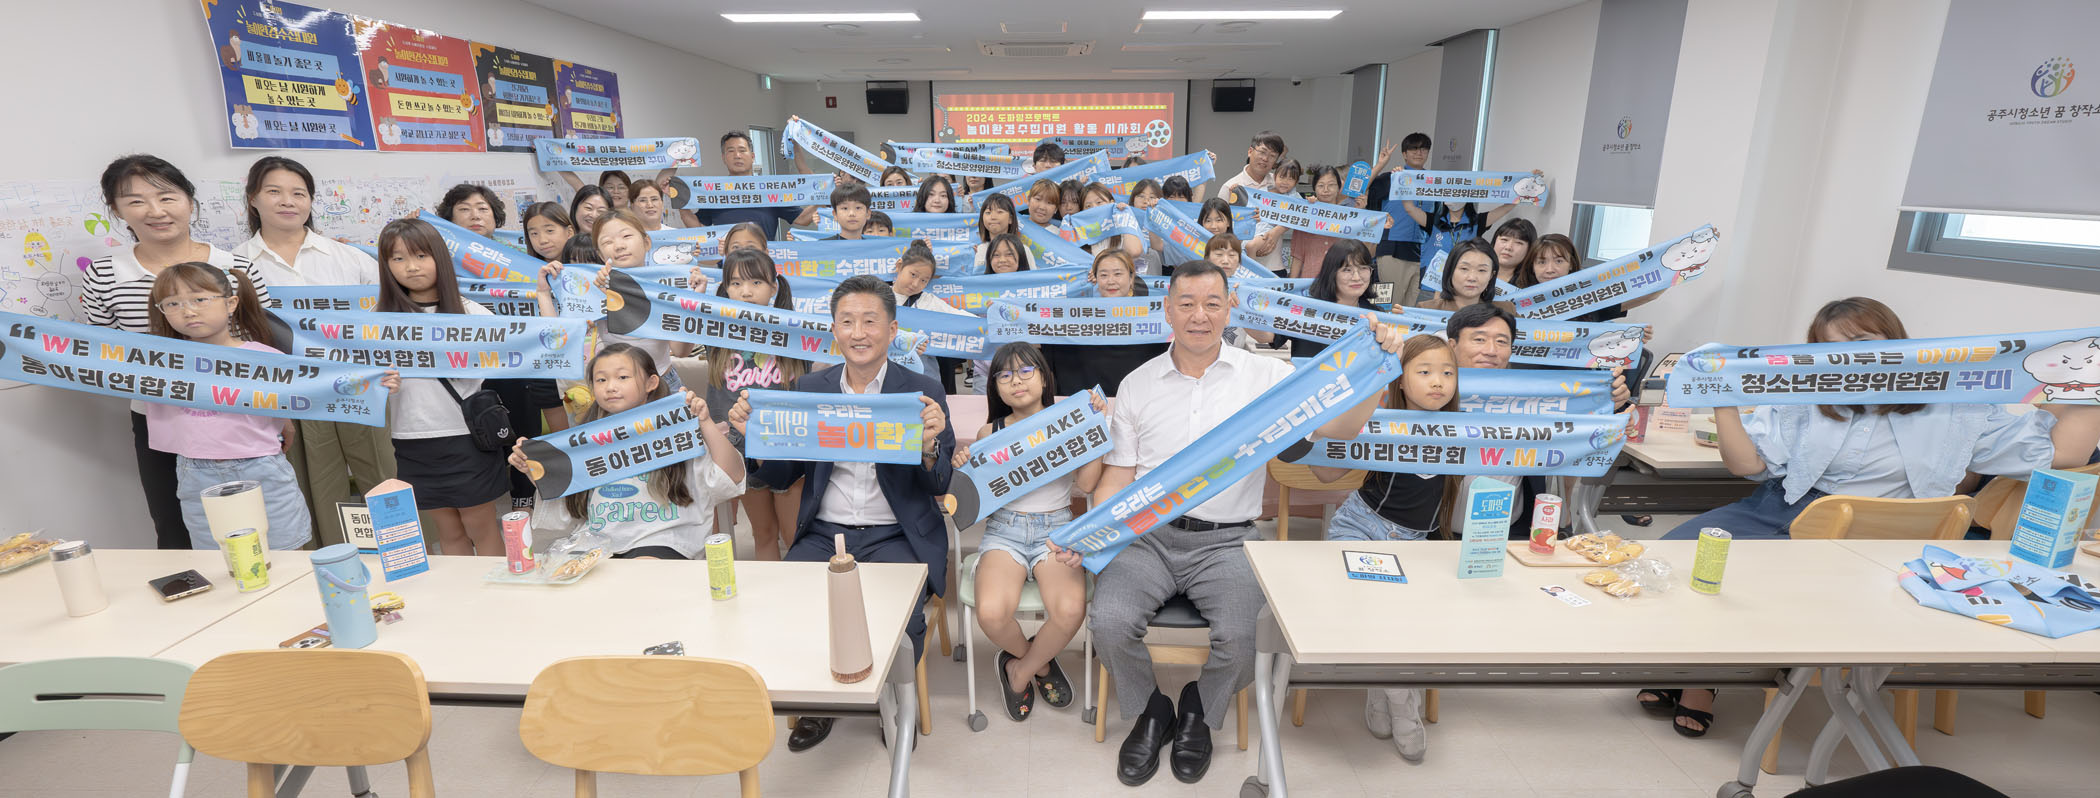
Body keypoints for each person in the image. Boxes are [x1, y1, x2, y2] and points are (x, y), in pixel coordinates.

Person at [1640, 297, 2100, 739]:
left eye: (1863, 344)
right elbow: (1746, 465)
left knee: (1750, 583)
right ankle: (1690, 669)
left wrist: (2092, 380)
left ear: (1896, 343)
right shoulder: (1802, 397)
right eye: (1832, 349)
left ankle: (1703, 681)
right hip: (1786, 512)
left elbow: (2065, 452)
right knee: (1677, 557)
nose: (1850, 359)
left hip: (1887, 539)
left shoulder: (1957, 403)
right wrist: (1724, 398)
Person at [1049, 260, 1405, 786]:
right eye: (1187, 304)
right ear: (1167, 310)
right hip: (1146, 538)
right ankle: (1151, 710)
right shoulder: (1138, 384)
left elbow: (1339, 426)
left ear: (1230, 308)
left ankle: (1199, 708)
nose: (1200, 315)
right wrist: (1092, 535)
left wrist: (1379, 369)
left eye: (1212, 303)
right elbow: (1119, 476)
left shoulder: (1267, 378)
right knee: (1109, 622)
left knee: (1246, 636)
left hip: (1229, 541)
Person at [727, 276, 955, 754]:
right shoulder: (811, 388)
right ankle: (820, 703)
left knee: (901, 621)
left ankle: (897, 703)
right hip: (824, 534)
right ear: (833, 330)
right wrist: (754, 438)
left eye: (870, 321)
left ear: (892, 330)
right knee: (792, 609)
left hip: (897, 535)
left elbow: (939, 484)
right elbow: (784, 473)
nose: (858, 332)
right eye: (847, 322)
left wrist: (930, 448)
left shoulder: (921, 391)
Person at [1307, 334, 1498, 762]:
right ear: (1399, 379)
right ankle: (1402, 705)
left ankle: (1381, 693)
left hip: (1416, 543)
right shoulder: (1380, 418)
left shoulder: (1464, 426)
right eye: (1424, 372)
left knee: (1396, 623)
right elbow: (1324, 467)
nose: (1438, 382)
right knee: (1379, 616)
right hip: (1361, 529)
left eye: (1447, 373)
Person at [87, 154, 273, 549]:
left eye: (167, 197)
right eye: (136, 201)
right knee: (175, 528)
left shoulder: (235, 265)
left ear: (189, 200)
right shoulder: (103, 274)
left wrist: (281, 416)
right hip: (159, 419)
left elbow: (262, 341)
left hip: (241, 415)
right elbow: (104, 353)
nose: (155, 211)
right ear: (117, 210)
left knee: (258, 522)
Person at [233, 156, 395, 548]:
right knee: (312, 482)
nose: (287, 201)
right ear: (253, 198)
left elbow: (387, 318)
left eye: (298, 193)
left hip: (358, 386)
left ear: (310, 200)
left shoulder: (349, 258)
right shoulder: (235, 265)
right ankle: (330, 558)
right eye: (274, 192)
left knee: (382, 475)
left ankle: (403, 551)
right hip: (289, 393)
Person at [956, 342, 1105, 722]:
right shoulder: (989, 431)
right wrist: (964, 465)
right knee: (991, 614)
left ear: (1044, 377)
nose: (1016, 381)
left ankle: (1019, 670)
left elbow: (1087, 485)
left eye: (1025, 371)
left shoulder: (1067, 421)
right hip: (1004, 531)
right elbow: (973, 492)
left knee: (1070, 611)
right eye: (1004, 375)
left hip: (1057, 530)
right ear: (994, 386)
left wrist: (1094, 428)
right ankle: (1040, 662)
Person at [144, 262, 320, 552]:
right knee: (218, 560)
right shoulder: (156, 360)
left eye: (200, 299)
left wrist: (374, 383)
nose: (188, 311)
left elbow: (316, 389)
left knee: (286, 554)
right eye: (172, 304)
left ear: (231, 303)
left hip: (261, 467)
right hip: (196, 473)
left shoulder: (266, 357)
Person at [509, 344, 743, 559]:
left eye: (622, 377)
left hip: (664, 539)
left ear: (651, 383)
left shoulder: (677, 429)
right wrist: (533, 468)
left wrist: (705, 422)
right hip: (597, 543)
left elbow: (730, 476)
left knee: (641, 569)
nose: (611, 387)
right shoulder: (584, 441)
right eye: (601, 380)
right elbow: (569, 507)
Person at [375, 218, 508, 555]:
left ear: (439, 258)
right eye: (398, 258)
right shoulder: (378, 320)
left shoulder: (472, 314)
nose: (411, 267)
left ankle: (497, 588)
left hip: (466, 437)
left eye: (421, 256)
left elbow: (502, 361)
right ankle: (461, 590)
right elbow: (363, 382)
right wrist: (379, 385)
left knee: (481, 526)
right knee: (447, 532)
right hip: (411, 439)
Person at [686, 248, 808, 561]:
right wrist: (697, 297)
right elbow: (682, 340)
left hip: (786, 446)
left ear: (774, 287)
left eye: (756, 282)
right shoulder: (716, 332)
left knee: (794, 535)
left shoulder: (794, 333)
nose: (746, 291)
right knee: (763, 533)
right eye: (736, 283)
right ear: (725, 288)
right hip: (739, 449)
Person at [1044, 250, 1169, 400]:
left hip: (1142, 400)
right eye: (1103, 275)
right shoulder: (1078, 318)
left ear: (1131, 278)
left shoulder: (1153, 316)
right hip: (1091, 403)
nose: (1111, 281)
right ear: (1095, 279)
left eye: (1117, 274)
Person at [686, 131, 820, 237]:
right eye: (731, 151)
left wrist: (823, 196)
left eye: (742, 150)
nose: (737, 155)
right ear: (724, 158)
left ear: (752, 156)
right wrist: (680, 202)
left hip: (763, 261)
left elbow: (803, 219)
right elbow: (697, 228)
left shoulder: (770, 189)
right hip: (728, 262)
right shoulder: (715, 192)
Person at [889, 240, 971, 394]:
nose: (915, 284)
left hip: (924, 380)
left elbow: (962, 318)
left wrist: (992, 319)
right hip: (887, 378)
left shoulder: (928, 301)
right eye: (913, 275)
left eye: (923, 280)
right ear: (899, 266)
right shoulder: (878, 297)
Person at [1277, 242, 1378, 359]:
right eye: (1347, 270)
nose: (1356, 277)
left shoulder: (1377, 315)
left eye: (1363, 268)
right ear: (1331, 273)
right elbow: (1268, 336)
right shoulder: (1306, 309)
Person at [1366, 132, 1433, 296]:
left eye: (1423, 149)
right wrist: (1381, 164)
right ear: (1404, 154)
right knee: (1390, 303)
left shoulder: (1432, 182)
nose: (1419, 153)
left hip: (1421, 251)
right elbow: (1359, 189)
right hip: (1392, 248)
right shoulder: (1392, 178)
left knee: (1410, 306)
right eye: (1414, 149)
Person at [1288, 165, 1371, 280]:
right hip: (1310, 282)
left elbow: (1363, 250)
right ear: (1314, 188)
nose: (1326, 190)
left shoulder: (1350, 216)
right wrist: (1292, 285)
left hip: (1341, 281)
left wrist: (1360, 214)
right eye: (1321, 185)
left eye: (1331, 185)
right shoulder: (1306, 215)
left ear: (1339, 188)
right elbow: (1298, 256)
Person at [1416, 238, 1512, 313]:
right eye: (1464, 268)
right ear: (1450, 271)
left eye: (1482, 270)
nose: (1472, 278)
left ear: (1491, 275)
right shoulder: (1426, 310)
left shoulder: (1506, 311)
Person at [437, 183, 505, 237]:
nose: (475, 216)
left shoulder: (508, 249)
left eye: (482, 208)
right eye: (465, 209)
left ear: (495, 216)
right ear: (449, 218)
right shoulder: (437, 249)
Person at [974, 192, 1018, 270]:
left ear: (1010, 218)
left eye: (999, 212)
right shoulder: (979, 250)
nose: (993, 217)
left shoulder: (1022, 249)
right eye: (988, 212)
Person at [1488, 218, 1538, 285]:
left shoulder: (1531, 287)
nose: (1508, 247)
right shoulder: (1475, 272)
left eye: (1518, 243)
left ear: (1529, 249)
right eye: (1504, 240)